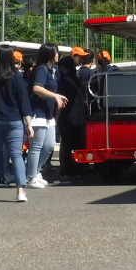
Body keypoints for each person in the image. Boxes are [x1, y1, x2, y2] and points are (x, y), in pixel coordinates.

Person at [0, 46, 34, 202]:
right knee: (16, 155)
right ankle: (20, 191)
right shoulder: (16, 76)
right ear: (11, 58)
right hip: (14, 120)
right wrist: (29, 124)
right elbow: (23, 101)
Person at [26, 43, 68, 189]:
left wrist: (57, 97)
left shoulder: (52, 70)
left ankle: (35, 172)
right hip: (38, 113)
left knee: (49, 145)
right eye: (56, 53)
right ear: (50, 54)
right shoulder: (41, 69)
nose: (58, 55)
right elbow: (36, 88)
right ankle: (31, 177)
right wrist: (55, 96)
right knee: (36, 146)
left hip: (48, 114)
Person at [55, 54, 83, 183]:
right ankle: (79, 169)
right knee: (77, 143)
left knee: (67, 145)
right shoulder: (77, 80)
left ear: (62, 67)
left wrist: (56, 117)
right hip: (78, 116)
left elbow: (61, 102)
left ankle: (68, 172)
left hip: (66, 116)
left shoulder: (64, 81)